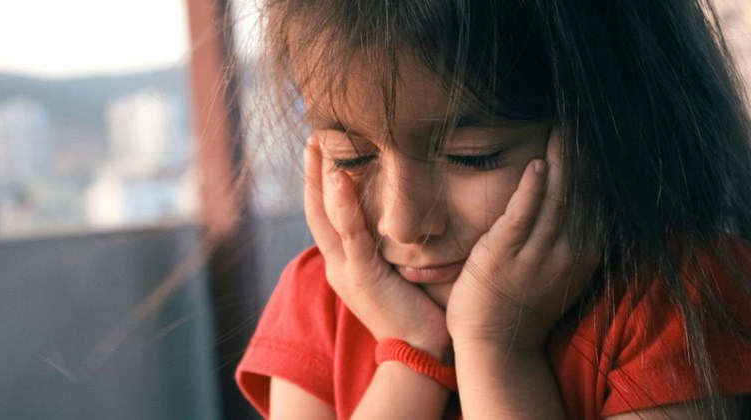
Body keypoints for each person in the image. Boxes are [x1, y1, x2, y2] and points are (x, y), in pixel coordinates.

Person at [236, 0, 751, 418]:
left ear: (603, 129)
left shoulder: (677, 303)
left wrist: (496, 352)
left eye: (473, 156)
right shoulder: (317, 305)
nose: (404, 223)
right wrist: (409, 354)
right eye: (351, 157)